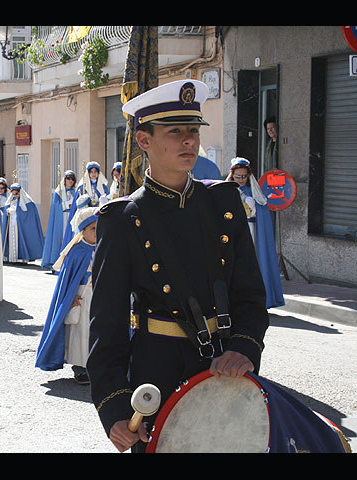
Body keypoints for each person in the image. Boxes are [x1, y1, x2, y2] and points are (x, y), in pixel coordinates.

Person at [87, 80, 269, 453]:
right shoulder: (123, 220)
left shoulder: (223, 203)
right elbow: (107, 324)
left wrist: (245, 348)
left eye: (193, 131)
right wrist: (115, 407)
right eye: (175, 132)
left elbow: (250, 294)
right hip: (158, 372)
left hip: (225, 367)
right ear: (143, 141)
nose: (189, 141)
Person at [36, 207, 97, 384]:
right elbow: (66, 283)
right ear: (83, 231)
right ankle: (80, 367)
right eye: (93, 228)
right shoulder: (75, 252)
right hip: (80, 298)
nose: (97, 232)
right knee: (79, 332)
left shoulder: (103, 248)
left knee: (95, 332)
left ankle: (95, 365)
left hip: (98, 298)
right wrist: (70, 299)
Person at [226, 157, 285, 309]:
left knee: (254, 265)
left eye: (244, 176)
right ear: (232, 175)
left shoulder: (255, 193)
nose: (241, 179)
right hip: (234, 235)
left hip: (252, 233)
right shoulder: (226, 191)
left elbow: (262, 213)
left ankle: (256, 300)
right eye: (238, 176)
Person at [61, 162, 109, 249]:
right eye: (91, 172)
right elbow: (78, 204)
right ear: (88, 173)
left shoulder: (103, 187)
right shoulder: (82, 187)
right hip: (85, 217)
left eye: (95, 172)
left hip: (98, 216)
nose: (94, 174)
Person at [41, 170, 76, 270]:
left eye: (72, 179)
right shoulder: (58, 192)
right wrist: (66, 204)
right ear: (64, 180)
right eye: (68, 178)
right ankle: (56, 262)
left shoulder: (75, 192)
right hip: (61, 218)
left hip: (70, 218)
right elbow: (56, 207)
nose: (70, 181)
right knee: (59, 239)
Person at [1, 183, 44, 263]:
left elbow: (27, 214)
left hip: (21, 227)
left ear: (20, 192)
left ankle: (22, 258)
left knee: (21, 240)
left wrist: (16, 212)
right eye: (13, 194)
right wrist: (8, 211)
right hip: (12, 226)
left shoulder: (28, 202)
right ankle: (12, 258)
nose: (15, 195)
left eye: (16, 193)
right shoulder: (11, 201)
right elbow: (6, 210)